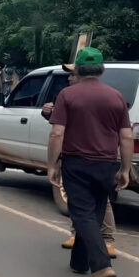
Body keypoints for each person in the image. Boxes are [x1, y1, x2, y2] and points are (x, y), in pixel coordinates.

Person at [47, 47, 131, 277]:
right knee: (93, 212)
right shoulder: (116, 96)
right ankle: (79, 262)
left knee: (82, 213)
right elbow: (125, 137)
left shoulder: (68, 95)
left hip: (77, 162)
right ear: (101, 70)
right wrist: (125, 169)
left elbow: (57, 133)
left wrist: (52, 164)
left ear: (79, 70)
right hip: (107, 164)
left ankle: (102, 266)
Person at [42, 63, 117, 257]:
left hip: (85, 158)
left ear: (82, 73)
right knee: (82, 202)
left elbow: (57, 133)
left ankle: (104, 246)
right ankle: (81, 245)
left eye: (73, 73)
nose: (69, 77)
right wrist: (49, 113)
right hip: (93, 158)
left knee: (88, 204)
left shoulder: (76, 96)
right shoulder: (72, 95)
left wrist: (51, 165)